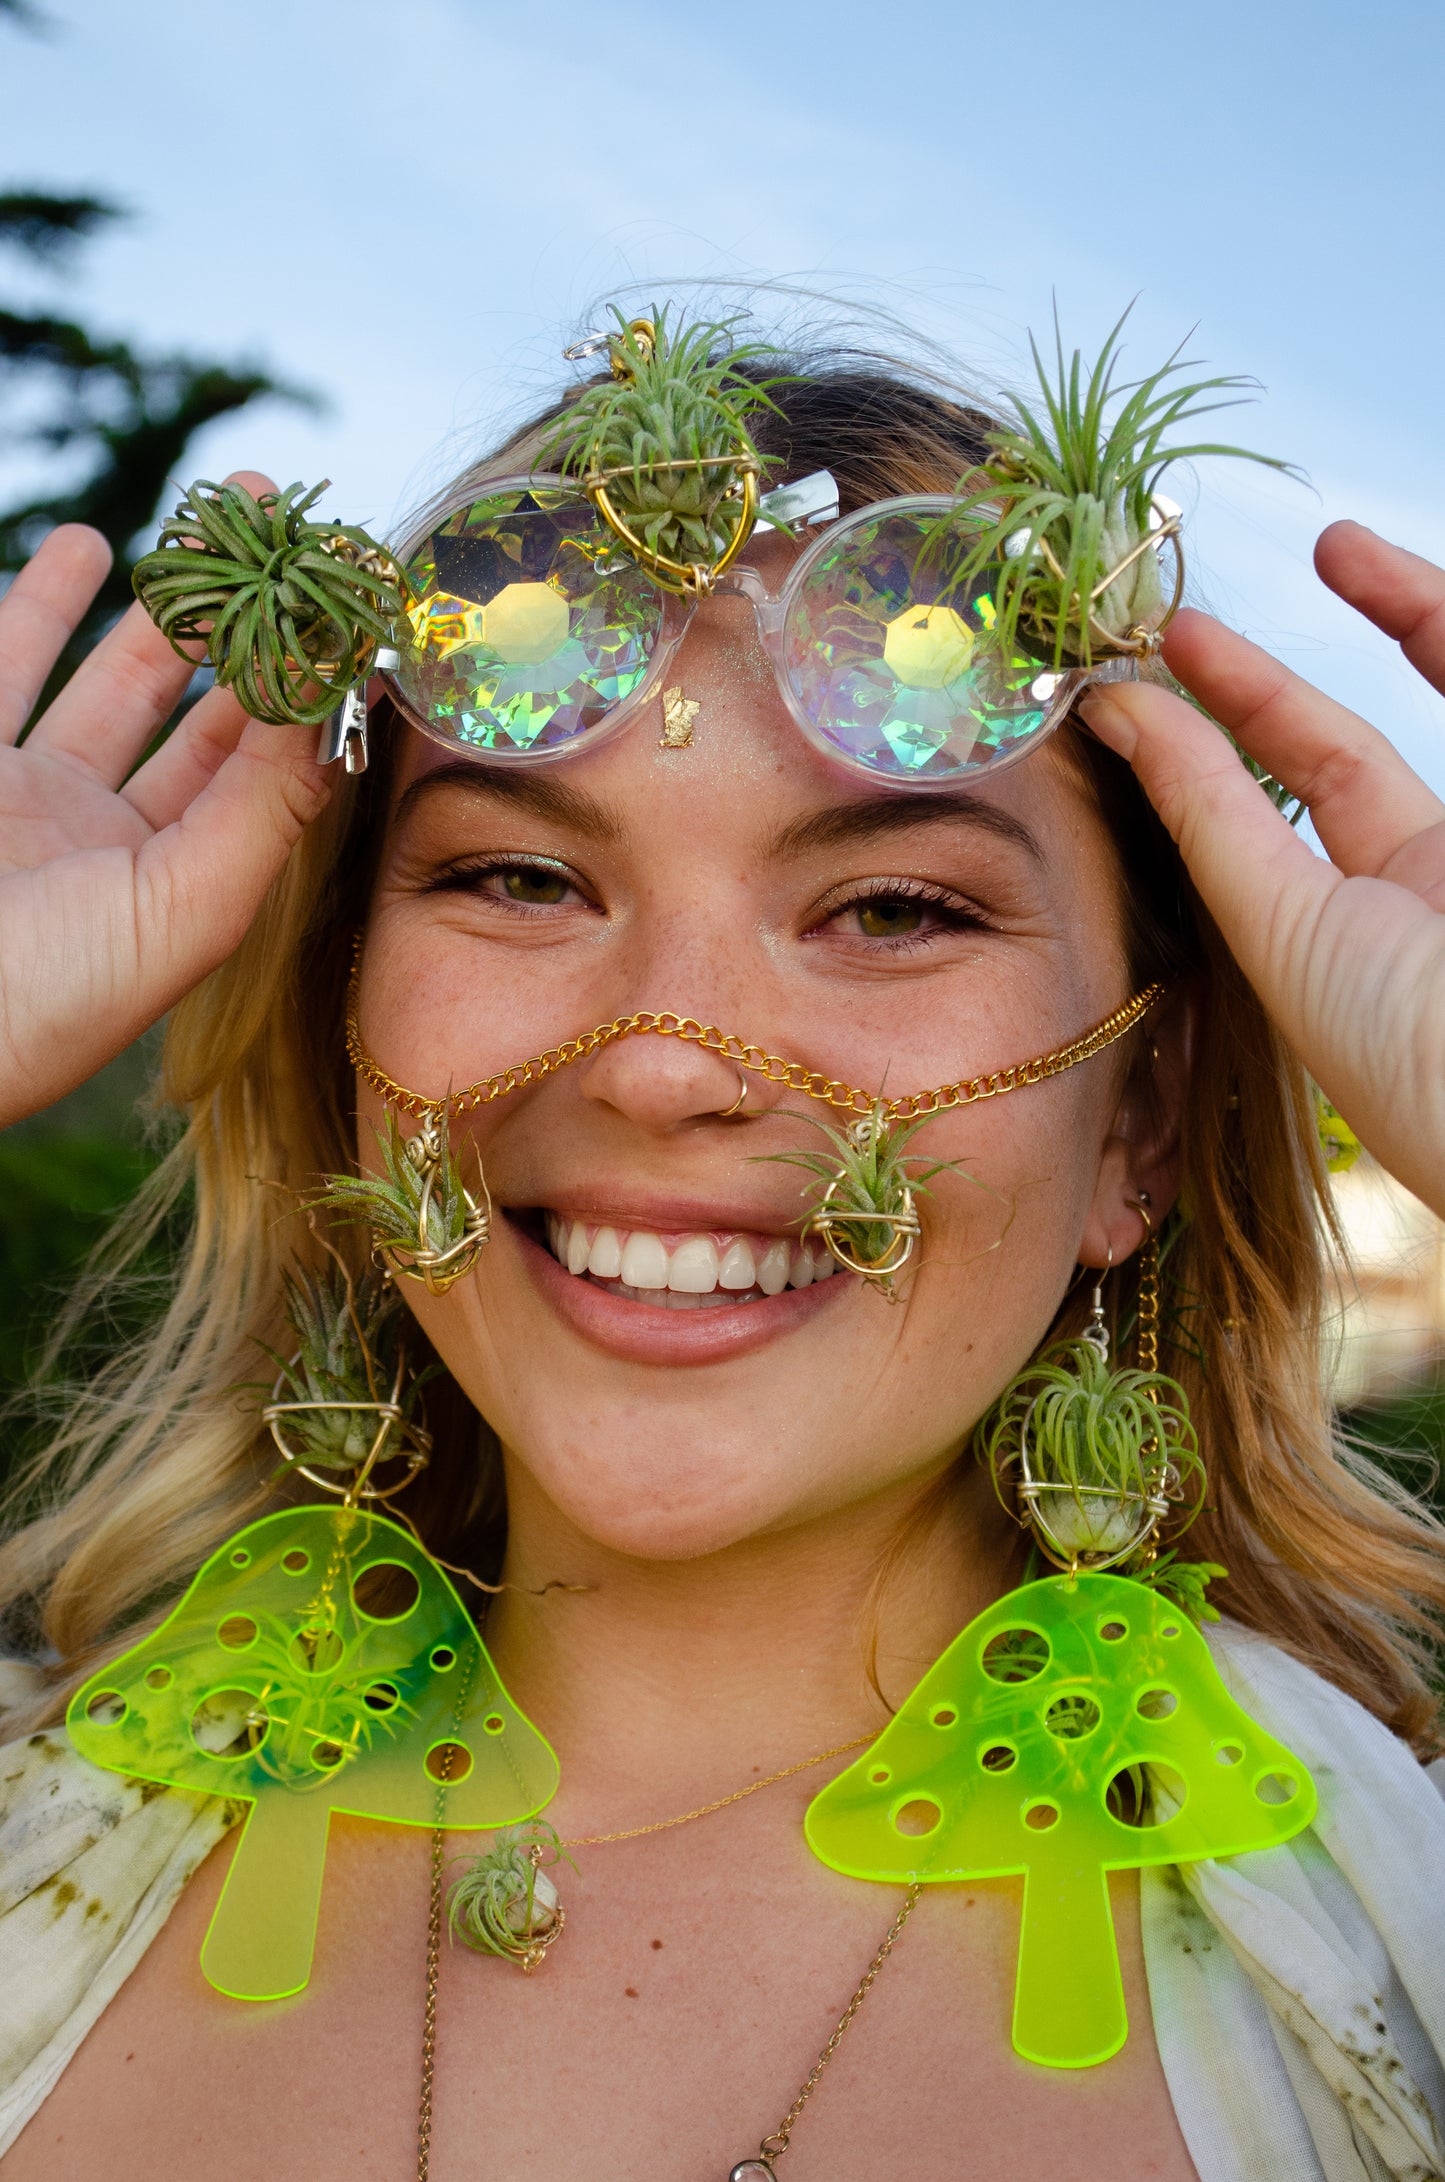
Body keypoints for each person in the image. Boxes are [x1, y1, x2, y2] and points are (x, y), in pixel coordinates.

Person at [0, 325, 1443, 2182]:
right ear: (345, 1014)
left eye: (895, 905)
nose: (667, 1059)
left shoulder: (1385, 1949)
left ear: (1141, 1121)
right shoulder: (44, 1817)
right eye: (520, 878)